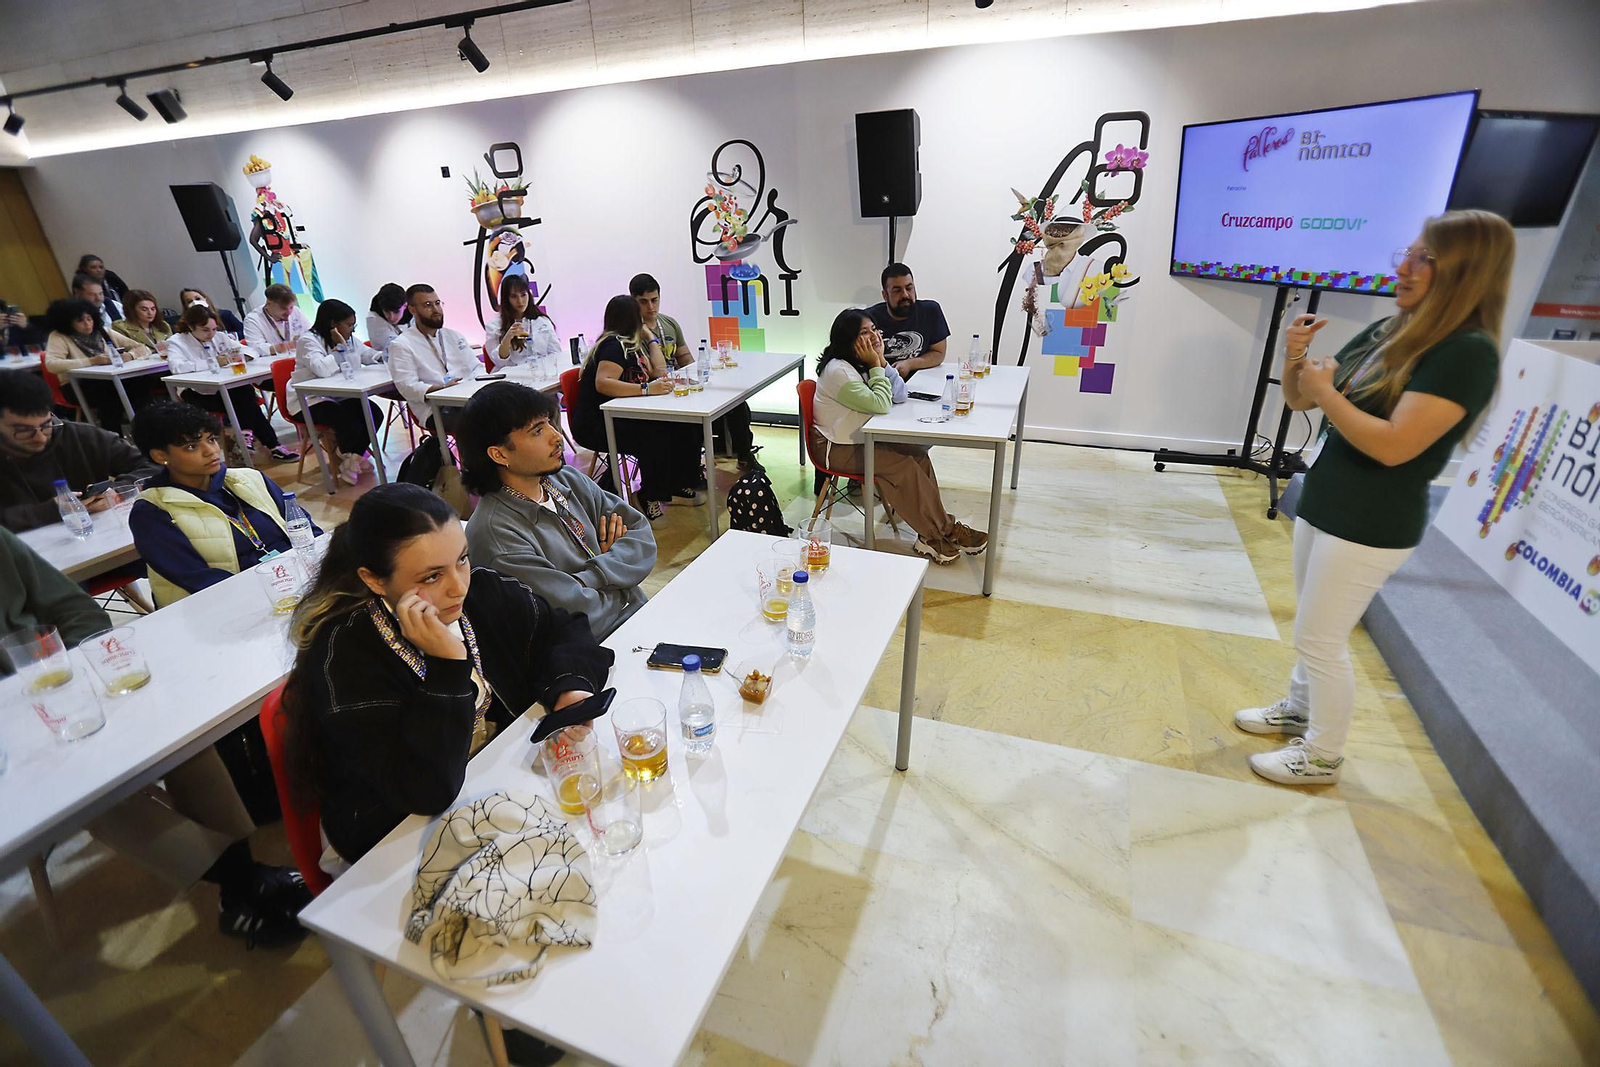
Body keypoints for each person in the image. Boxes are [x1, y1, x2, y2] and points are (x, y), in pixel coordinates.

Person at [1235, 210, 1515, 787]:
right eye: (1405, 254)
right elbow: (1298, 401)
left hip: (1371, 519)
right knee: (1313, 629)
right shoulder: (1396, 328)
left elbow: (1394, 447)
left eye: (1424, 259)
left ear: (1466, 271)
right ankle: (1301, 710)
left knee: (1321, 637)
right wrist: (1295, 356)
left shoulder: (1467, 353)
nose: (1405, 268)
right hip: (1328, 500)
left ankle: (1322, 755)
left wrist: (1322, 392)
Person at [0, 523, 312, 946]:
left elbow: (78, 610)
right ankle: (242, 883)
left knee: (182, 739)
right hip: (13, 727)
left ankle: (241, 881)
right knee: (102, 789)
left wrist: (72, 676)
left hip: (59, 680)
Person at [277, 481, 613, 865]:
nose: (459, 587)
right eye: (431, 577)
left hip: (491, 788)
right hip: (395, 839)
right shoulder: (345, 658)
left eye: (463, 559)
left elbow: (565, 630)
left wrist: (570, 689)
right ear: (374, 580)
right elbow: (426, 790)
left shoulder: (481, 592)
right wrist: (448, 668)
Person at [460, 382, 655, 638]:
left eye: (550, 422)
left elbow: (641, 536)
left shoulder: (566, 480)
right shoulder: (497, 535)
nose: (557, 436)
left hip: (639, 614)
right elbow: (576, 617)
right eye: (538, 431)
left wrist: (588, 579)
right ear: (499, 454)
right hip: (596, 649)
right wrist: (618, 575)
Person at [811, 309, 986, 565]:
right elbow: (881, 404)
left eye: (873, 329)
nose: (873, 336)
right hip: (835, 448)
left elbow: (899, 395)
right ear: (848, 340)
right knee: (903, 467)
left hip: (860, 439)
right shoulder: (839, 371)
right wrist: (874, 365)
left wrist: (881, 363)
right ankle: (942, 533)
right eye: (863, 333)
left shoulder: (860, 363)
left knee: (917, 455)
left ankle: (934, 533)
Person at [128, 401, 320, 608]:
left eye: (211, 439)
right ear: (160, 456)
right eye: (192, 447)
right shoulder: (152, 511)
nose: (211, 451)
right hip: (229, 608)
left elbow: (307, 529)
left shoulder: (250, 479)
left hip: (295, 587)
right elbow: (199, 581)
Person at [569, 294, 705, 521]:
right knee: (654, 436)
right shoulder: (612, 346)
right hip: (599, 424)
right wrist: (646, 390)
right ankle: (648, 496)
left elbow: (658, 371)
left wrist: (651, 339)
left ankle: (677, 485)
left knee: (684, 426)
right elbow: (603, 383)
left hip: (624, 416)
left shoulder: (631, 344)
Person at [0, 368, 158, 531]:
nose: (40, 437)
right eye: (24, 430)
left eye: (46, 425)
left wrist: (119, 490)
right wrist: (47, 511)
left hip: (103, 536)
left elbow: (155, 465)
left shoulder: (79, 436)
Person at [631, 271, 760, 470]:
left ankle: (744, 455)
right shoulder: (632, 331)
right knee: (692, 423)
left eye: (654, 300)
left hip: (680, 385)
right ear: (633, 301)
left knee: (737, 403)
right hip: (657, 392)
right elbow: (653, 372)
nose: (651, 307)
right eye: (643, 301)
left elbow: (685, 358)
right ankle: (691, 469)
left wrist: (698, 378)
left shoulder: (669, 323)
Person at [165, 304, 299, 462]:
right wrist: (213, 362)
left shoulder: (220, 337)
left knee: (244, 393)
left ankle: (247, 435)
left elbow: (249, 351)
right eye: (205, 330)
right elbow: (177, 367)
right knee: (247, 401)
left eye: (214, 329)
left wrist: (237, 355)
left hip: (225, 388)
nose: (211, 334)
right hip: (196, 392)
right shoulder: (176, 342)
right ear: (191, 327)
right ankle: (269, 445)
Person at [289, 299, 383, 485]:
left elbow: (366, 354)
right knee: (347, 421)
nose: (352, 330)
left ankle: (352, 459)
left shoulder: (348, 338)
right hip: (309, 400)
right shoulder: (308, 341)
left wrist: (385, 356)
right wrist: (339, 349)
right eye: (349, 325)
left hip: (339, 394)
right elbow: (321, 369)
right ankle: (349, 454)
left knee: (374, 413)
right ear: (333, 324)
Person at [42, 296, 157, 430]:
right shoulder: (59, 337)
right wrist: (91, 361)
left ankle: (147, 428)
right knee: (108, 394)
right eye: (80, 320)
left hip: (112, 380)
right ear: (67, 322)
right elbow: (52, 364)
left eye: (89, 318)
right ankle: (113, 435)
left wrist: (129, 355)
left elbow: (143, 347)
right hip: (77, 386)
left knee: (141, 383)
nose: (87, 324)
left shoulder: (103, 332)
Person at [386, 283, 483, 428]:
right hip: (436, 408)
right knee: (484, 421)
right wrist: (441, 388)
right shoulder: (402, 344)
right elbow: (407, 387)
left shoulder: (453, 335)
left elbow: (477, 367)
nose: (436, 310)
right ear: (412, 309)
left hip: (468, 397)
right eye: (427, 305)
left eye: (437, 303)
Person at [867, 262, 950, 380]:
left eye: (909, 288)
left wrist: (910, 364)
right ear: (885, 295)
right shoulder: (868, 319)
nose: (905, 295)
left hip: (923, 383)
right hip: (883, 384)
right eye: (897, 290)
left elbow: (939, 353)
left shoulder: (931, 311)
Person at [485, 274, 562, 372]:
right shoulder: (494, 326)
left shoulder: (542, 320)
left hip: (542, 372)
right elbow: (499, 362)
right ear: (506, 299)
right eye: (514, 296)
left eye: (523, 295)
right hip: (512, 376)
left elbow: (555, 353)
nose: (520, 301)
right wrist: (507, 338)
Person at [243, 283, 311, 358]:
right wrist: (286, 346)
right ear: (269, 303)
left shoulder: (296, 311)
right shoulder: (253, 320)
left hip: (299, 357)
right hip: (272, 362)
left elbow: (311, 333)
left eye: (291, 307)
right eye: (283, 308)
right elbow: (256, 349)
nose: (289, 312)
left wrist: (304, 338)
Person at [76, 254, 129, 320]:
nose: (98, 270)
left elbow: (126, 293)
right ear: (84, 269)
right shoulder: (80, 283)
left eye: (101, 267)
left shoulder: (111, 276)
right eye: (93, 267)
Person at [178, 287, 245, 335]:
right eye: (189, 301)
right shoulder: (184, 325)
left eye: (198, 298)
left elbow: (244, 331)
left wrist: (230, 337)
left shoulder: (225, 314)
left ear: (205, 299)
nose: (195, 302)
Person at [365, 282, 408, 355]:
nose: (391, 317)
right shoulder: (374, 319)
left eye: (396, 312)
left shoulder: (412, 313)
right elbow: (399, 347)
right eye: (387, 311)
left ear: (405, 306)